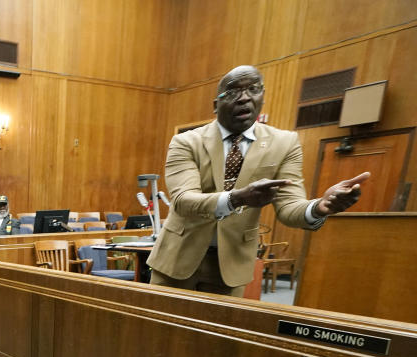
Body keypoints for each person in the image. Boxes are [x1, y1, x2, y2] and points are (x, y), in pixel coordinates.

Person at [147, 65, 370, 297]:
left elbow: (289, 206)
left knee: (219, 331)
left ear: (263, 96)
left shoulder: (284, 143)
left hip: (231, 264)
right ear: (216, 105)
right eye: (232, 92)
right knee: (160, 330)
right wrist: (237, 198)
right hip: (177, 257)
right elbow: (183, 201)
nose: (244, 98)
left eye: (253, 89)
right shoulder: (186, 142)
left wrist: (319, 207)